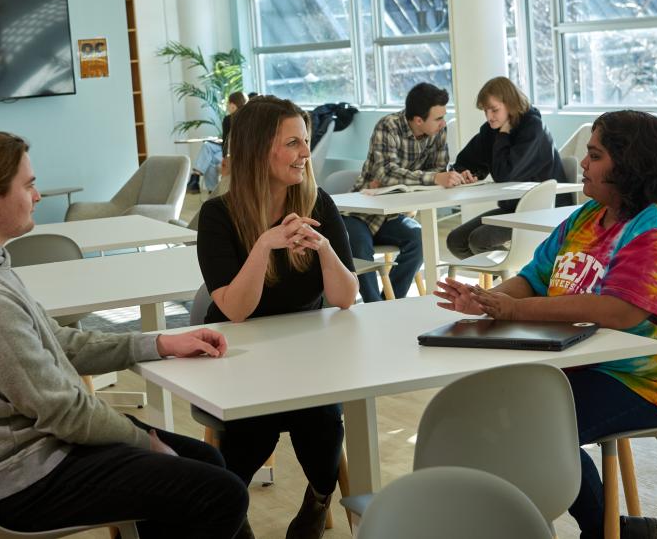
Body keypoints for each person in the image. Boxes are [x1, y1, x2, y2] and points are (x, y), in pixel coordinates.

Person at [0, 130, 248, 539]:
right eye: (29, 185)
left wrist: (158, 343)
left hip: (36, 452)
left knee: (206, 462)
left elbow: (57, 343)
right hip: (26, 480)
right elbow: (64, 411)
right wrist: (145, 443)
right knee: (222, 494)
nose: (37, 195)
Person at [434, 110, 657, 539]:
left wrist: (511, 312)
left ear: (629, 164)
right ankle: (613, 529)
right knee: (491, 413)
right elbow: (533, 279)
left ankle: (600, 530)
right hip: (581, 365)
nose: (582, 164)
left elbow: (621, 311)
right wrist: (487, 300)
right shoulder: (587, 217)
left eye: (595, 155)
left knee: (529, 425)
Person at [196, 96, 358, 539]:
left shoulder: (318, 203)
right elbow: (235, 309)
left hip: (303, 351)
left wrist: (324, 249)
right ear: (256, 151)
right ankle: (233, 508)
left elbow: (346, 299)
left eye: (305, 141)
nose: (306, 153)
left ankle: (319, 498)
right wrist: (264, 245)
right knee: (252, 431)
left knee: (324, 424)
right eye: (293, 143)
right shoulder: (217, 216)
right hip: (238, 354)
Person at [343, 82, 466, 303]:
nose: (442, 123)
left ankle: (391, 303)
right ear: (418, 120)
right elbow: (385, 173)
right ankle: (374, 307)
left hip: (395, 214)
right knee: (360, 245)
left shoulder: (439, 131)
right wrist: (431, 178)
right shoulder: (388, 126)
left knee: (419, 238)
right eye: (437, 118)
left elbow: (437, 171)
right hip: (359, 214)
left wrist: (446, 177)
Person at [446, 76, 568, 259]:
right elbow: (464, 161)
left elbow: (505, 173)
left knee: (479, 240)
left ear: (510, 105)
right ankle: (510, 277)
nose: (489, 117)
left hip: (542, 210)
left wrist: (503, 136)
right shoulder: (490, 129)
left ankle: (519, 276)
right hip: (513, 208)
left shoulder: (532, 127)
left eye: (494, 110)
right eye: (485, 111)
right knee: (455, 240)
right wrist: (470, 173)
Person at [189, 91, 248, 194]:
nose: (227, 107)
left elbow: (226, 143)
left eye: (228, 104)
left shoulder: (228, 119)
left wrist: (225, 159)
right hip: (241, 152)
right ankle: (204, 185)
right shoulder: (250, 117)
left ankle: (202, 184)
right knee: (208, 150)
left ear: (233, 104)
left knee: (209, 155)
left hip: (233, 155)